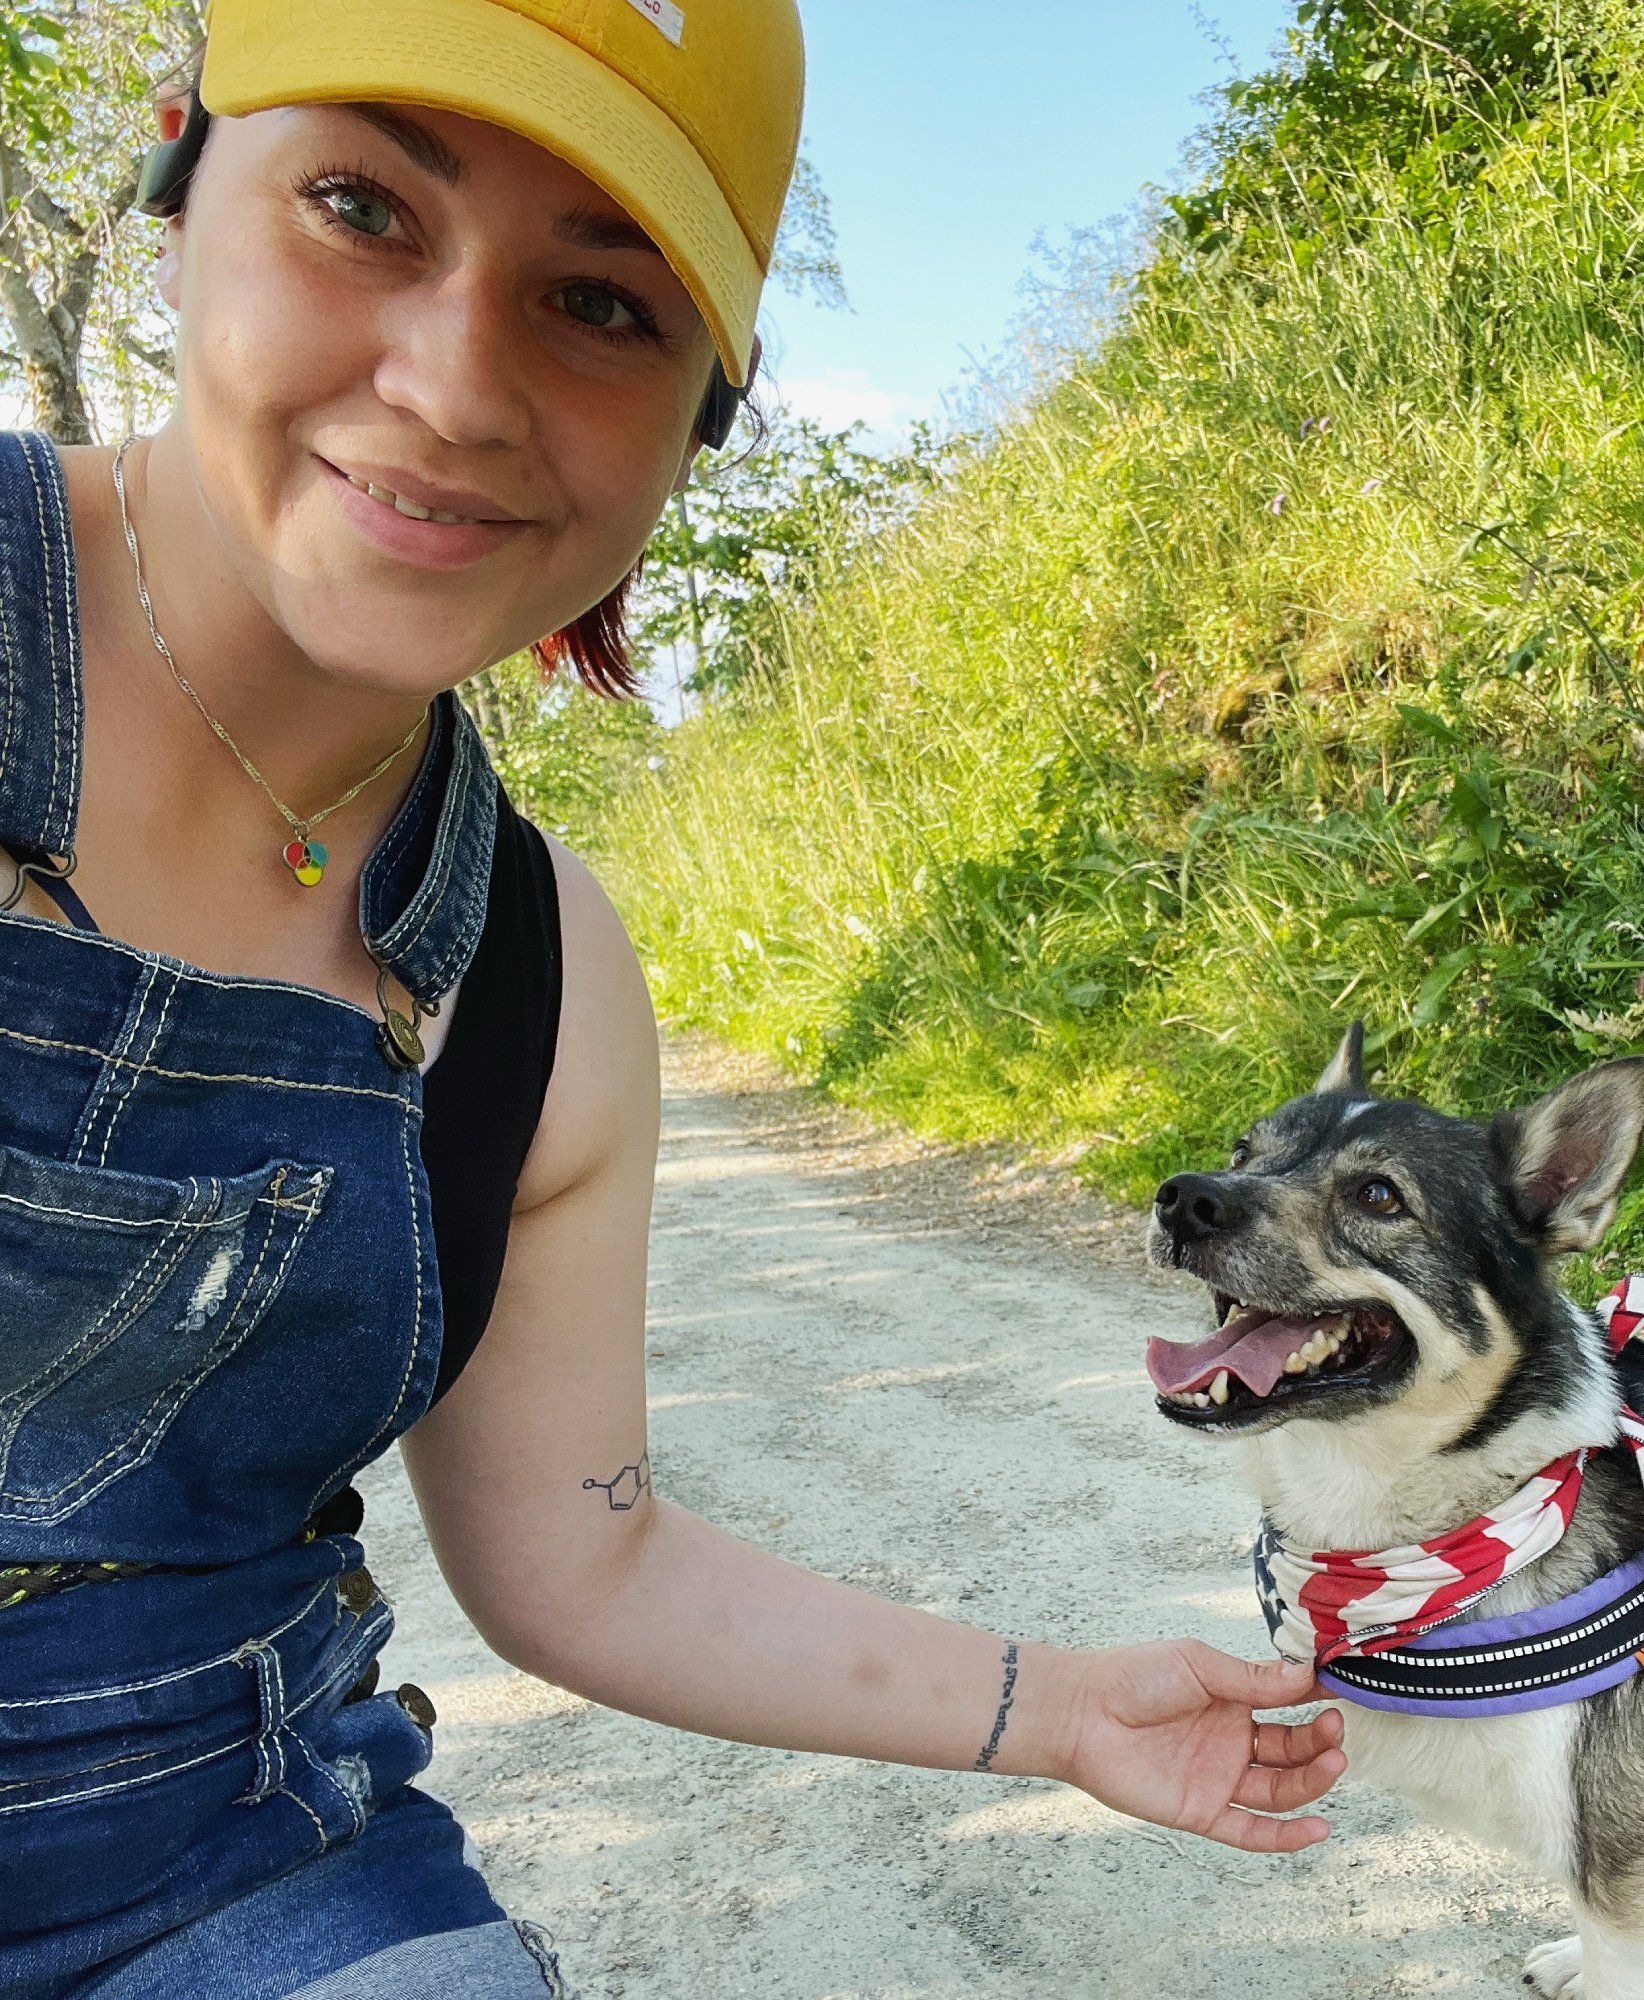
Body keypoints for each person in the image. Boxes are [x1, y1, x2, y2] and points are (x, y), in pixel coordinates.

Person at [0, 4, 1346, 1994]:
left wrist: (1057, 1705)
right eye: (364, 205)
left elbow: (589, 1558)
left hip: (241, 1862)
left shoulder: (535, 976)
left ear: (706, 408)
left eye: (600, 305)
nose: (455, 383)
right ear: (186, 165)